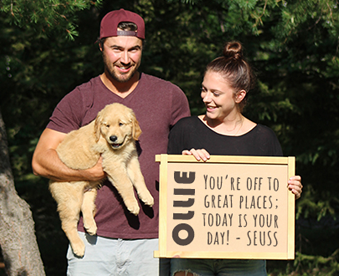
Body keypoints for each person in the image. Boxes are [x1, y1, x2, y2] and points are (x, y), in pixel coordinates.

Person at [32, 9, 190, 276]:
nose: (125, 59)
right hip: (93, 243)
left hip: (154, 240)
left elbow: (189, 155)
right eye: (117, 48)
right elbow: (40, 161)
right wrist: (89, 173)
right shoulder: (81, 98)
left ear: (142, 48)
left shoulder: (170, 96)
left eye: (134, 49)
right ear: (101, 47)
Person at [167, 41, 302, 276]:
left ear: (239, 95)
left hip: (245, 260)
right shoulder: (185, 130)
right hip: (191, 255)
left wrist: (291, 191)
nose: (206, 98)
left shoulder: (264, 138)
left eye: (215, 93)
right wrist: (182, 166)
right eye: (204, 89)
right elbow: (167, 194)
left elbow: (273, 206)